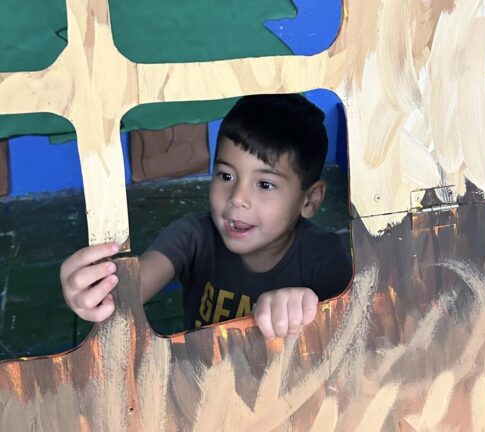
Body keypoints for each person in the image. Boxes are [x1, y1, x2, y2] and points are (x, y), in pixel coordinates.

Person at [60, 94, 352, 340]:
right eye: (226, 175)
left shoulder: (323, 256)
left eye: (265, 184)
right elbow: (131, 288)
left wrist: (308, 308)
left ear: (310, 199)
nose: (237, 197)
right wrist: (93, 290)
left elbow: (358, 338)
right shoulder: (193, 237)